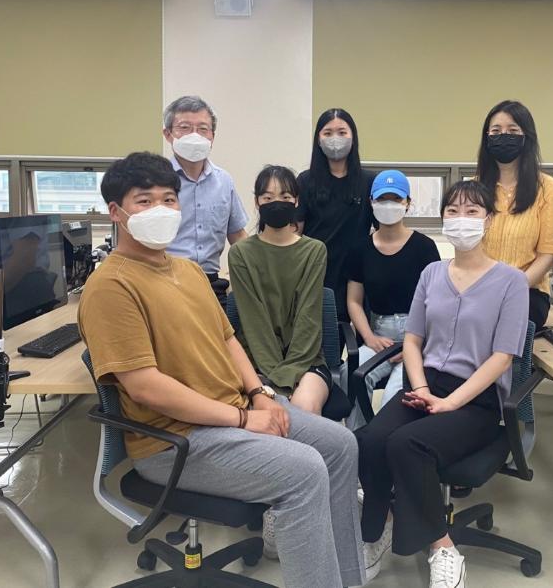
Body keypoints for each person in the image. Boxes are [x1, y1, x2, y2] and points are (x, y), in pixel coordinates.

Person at [78, 152, 364, 588]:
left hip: (232, 410)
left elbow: (228, 340)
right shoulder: (111, 286)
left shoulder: (188, 271)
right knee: (305, 470)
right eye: (144, 201)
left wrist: (259, 395)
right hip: (174, 440)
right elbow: (146, 388)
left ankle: (346, 580)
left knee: (341, 445)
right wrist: (244, 420)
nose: (161, 210)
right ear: (116, 212)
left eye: (169, 199)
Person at [355, 181, 529, 588]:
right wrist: (421, 389)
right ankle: (378, 530)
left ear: (489, 219)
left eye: (472, 211)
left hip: (476, 398)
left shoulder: (511, 282)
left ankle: (443, 547)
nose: (461, 219)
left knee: (408, 444)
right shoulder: (432, 274)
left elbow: (502, 357)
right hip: (425, 384)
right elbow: (412, 340)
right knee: (370, 439)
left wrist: (450, 403)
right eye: (453, 211)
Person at [228, 165, 331, 415]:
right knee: (265, 413)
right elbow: (254, 320)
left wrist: (289, 373)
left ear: (296, 201)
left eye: (285, 197)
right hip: (255, 360)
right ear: (257, 202)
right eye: (268, 197)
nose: (277, 203)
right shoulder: (241, 253)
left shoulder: (314, 250)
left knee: (304, 408)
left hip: (306, 359)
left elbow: (308, 317)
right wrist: (277, 379)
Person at [344, 169, 440, 431]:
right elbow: (354, 301)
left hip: (417, 337)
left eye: (396, 199)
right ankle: (356, 441)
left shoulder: (424, 247)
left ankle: (383, 443)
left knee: (395, 396)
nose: (389, 205)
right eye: (382, 199)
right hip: (379, 336)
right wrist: (369, 338)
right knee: (351, 375)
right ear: (371, 202)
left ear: (408, 203)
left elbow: (436, 304)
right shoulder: (360, 249)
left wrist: (414, 345)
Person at [477, 99, 553, 329]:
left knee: (493, 323)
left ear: (527, 137)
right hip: (480, 289)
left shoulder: (548, 190)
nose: (504, 136)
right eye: (496, 131)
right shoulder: (475, 189)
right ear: (487, 138)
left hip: (527, 292)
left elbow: (548, 254)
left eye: (513, 130)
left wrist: (512, 289)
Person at [161, 95, 248, 303]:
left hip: (211, 283)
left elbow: (237, 235)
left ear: (212, 137)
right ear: (168, 134)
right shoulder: (156, 181)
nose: (194, 135)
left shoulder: (224, 181)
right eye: (185, 127)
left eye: (202, 129)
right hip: (165, 281)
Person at [297, 108, 377, 322]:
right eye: (328, 133)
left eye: (342, 132)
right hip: (316, 274)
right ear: (318, 139)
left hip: (357, 276)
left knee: (358, 339)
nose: (335, 139)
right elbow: (296, 233)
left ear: (353, 137)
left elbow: (383, 231)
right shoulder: (305, 181)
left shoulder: (369, 181)